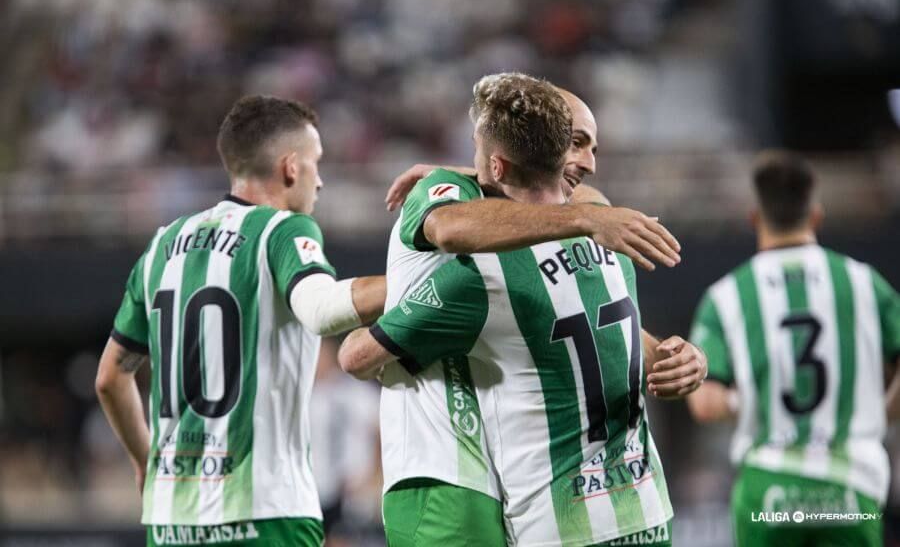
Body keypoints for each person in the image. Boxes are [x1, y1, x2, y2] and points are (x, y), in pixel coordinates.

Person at [341, 73, 678, 546]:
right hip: (646, 511)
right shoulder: (614, 237)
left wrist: (405, 284)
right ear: (560, 154)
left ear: (497, 166)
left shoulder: (476, 275)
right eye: (581, 143)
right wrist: (677, 354)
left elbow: (355, 356)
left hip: (556, 524)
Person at [95, 95, 385, 546]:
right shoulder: (283, 229)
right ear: (291, 167)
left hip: (172, 518)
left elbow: (111, 378)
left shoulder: (159, 247)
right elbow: (322, 309)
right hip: (266, 513)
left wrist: (145, 460)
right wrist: (415, 279)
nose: (320, 180)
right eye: (316, 163)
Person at [686, 151, 900, 546]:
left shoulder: (727, 295)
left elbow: (705, 404)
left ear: (754, 217)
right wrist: (882, 410)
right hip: (850, 487)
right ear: (816, 215)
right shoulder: (864, 283)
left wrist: (747, 399)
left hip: (769, 490)